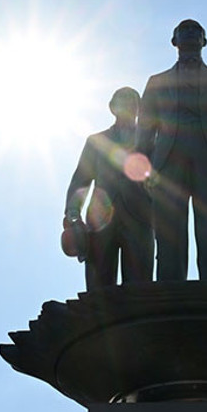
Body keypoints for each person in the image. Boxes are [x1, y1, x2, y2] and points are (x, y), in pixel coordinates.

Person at [136, 19, 207, 281]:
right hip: (168, 156)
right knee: (169, 227)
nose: (190, 33)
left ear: (204, 41)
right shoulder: (156, 81)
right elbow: (146, 126)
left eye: (196, 30)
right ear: (174, 41)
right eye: (183, 30)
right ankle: (170, 288)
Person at [63, 87, 153, 289]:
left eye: (133, 101)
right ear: (112, 107)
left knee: (140, 288)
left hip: (140, 217)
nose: (129, 105)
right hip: (99, 219)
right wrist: (73, 213)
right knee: (99, 288)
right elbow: (81, 181)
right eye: (123, 100)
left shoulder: (151, 141)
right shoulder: (95, 142)